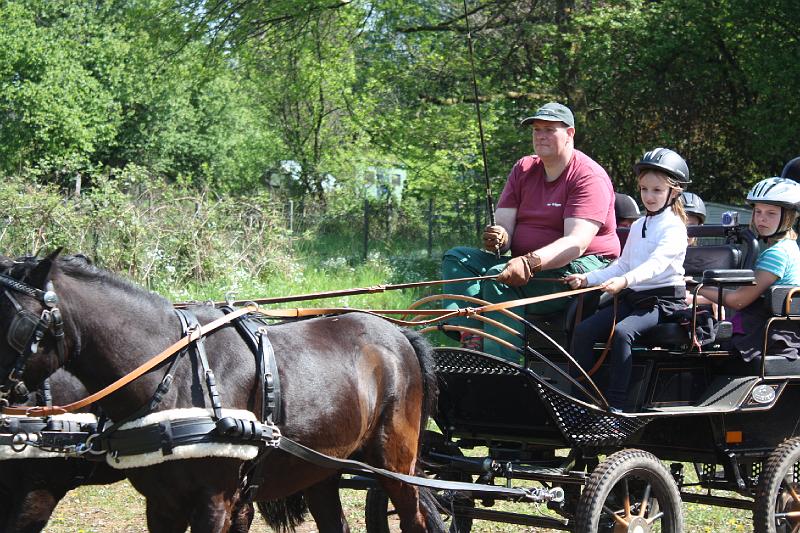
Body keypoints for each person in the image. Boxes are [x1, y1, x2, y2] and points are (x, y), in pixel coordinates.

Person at [442, 102, 620, 361]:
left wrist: (530, 261)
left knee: (497, 277)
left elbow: (575, 243)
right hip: (526, 265)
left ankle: (504, 367)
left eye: (549, 129)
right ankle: (472, 336)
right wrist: (499, 238)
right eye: (536, 130)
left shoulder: (587, 176)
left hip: (585, 270)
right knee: (457, 258)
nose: (540, 135)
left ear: (570, 133)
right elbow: (504, 231)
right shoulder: (524, 169)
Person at [565, 148, 690, 411]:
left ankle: (618, 406)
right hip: (634, 298)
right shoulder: (638, 225)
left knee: (623, 333)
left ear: (674, 192)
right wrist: (587, 278)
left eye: (656, 190)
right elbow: (622, 264)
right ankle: (582, 400)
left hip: (662, 303)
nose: (649, 196)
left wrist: (624, 281)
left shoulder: (675, 227)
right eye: (644, 189)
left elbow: (656, 265)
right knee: (584, 331)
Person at [698, 177, 800, 361]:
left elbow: (738, 301)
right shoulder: (790, 247)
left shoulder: (777, 254)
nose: (762, 218)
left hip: (766, 339)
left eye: (771, 213)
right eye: (758, 211)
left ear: (788, 218)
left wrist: (694, 286)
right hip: (777, 334)